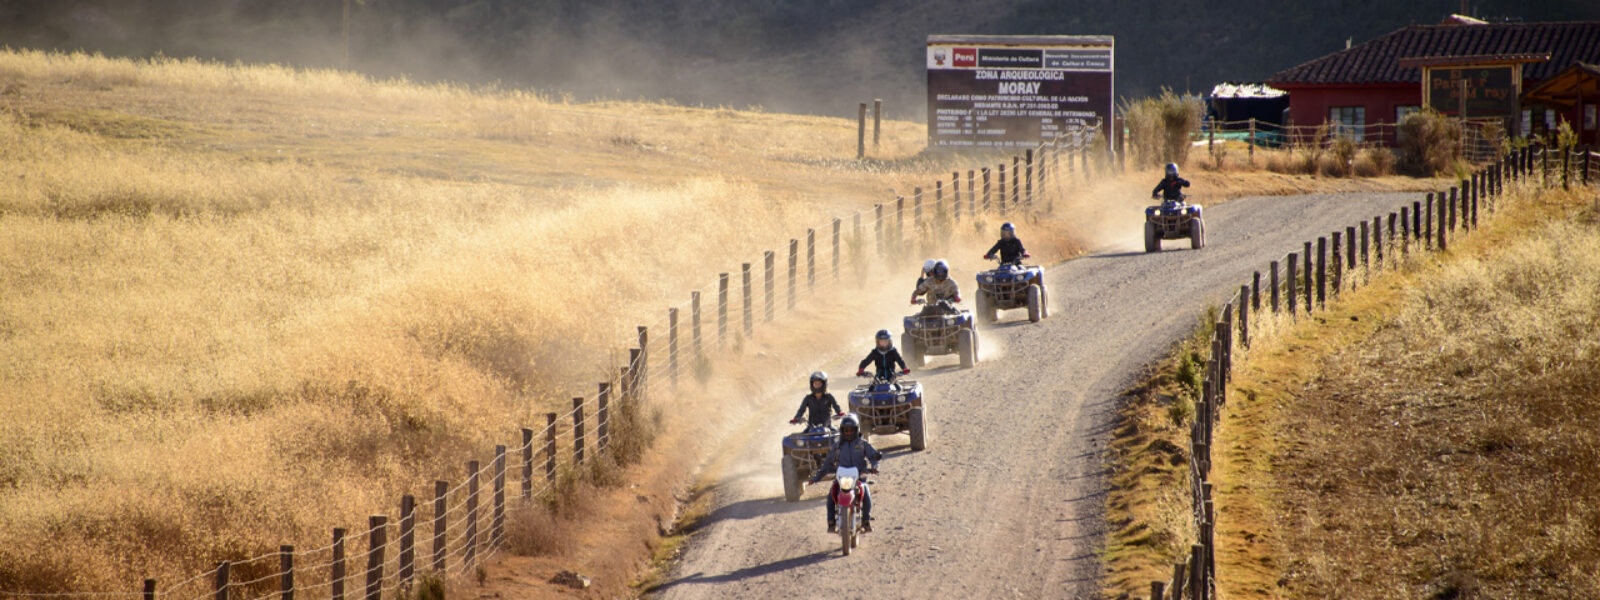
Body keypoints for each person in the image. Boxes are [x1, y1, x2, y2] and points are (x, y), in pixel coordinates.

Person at [807, 414, 882, 533]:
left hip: (858, 477)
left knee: (866, 494)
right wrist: (816, 478)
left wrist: (874, 466)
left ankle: (866, 521)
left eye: (851, 430)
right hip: (842, 477)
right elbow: (827, 464)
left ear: (856, 429)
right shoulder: (837, 446)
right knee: (831, 496)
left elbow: (873, 456)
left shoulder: (862, 444)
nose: (848, 432)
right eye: (846, 430)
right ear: (842, 431)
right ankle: (831, 522)